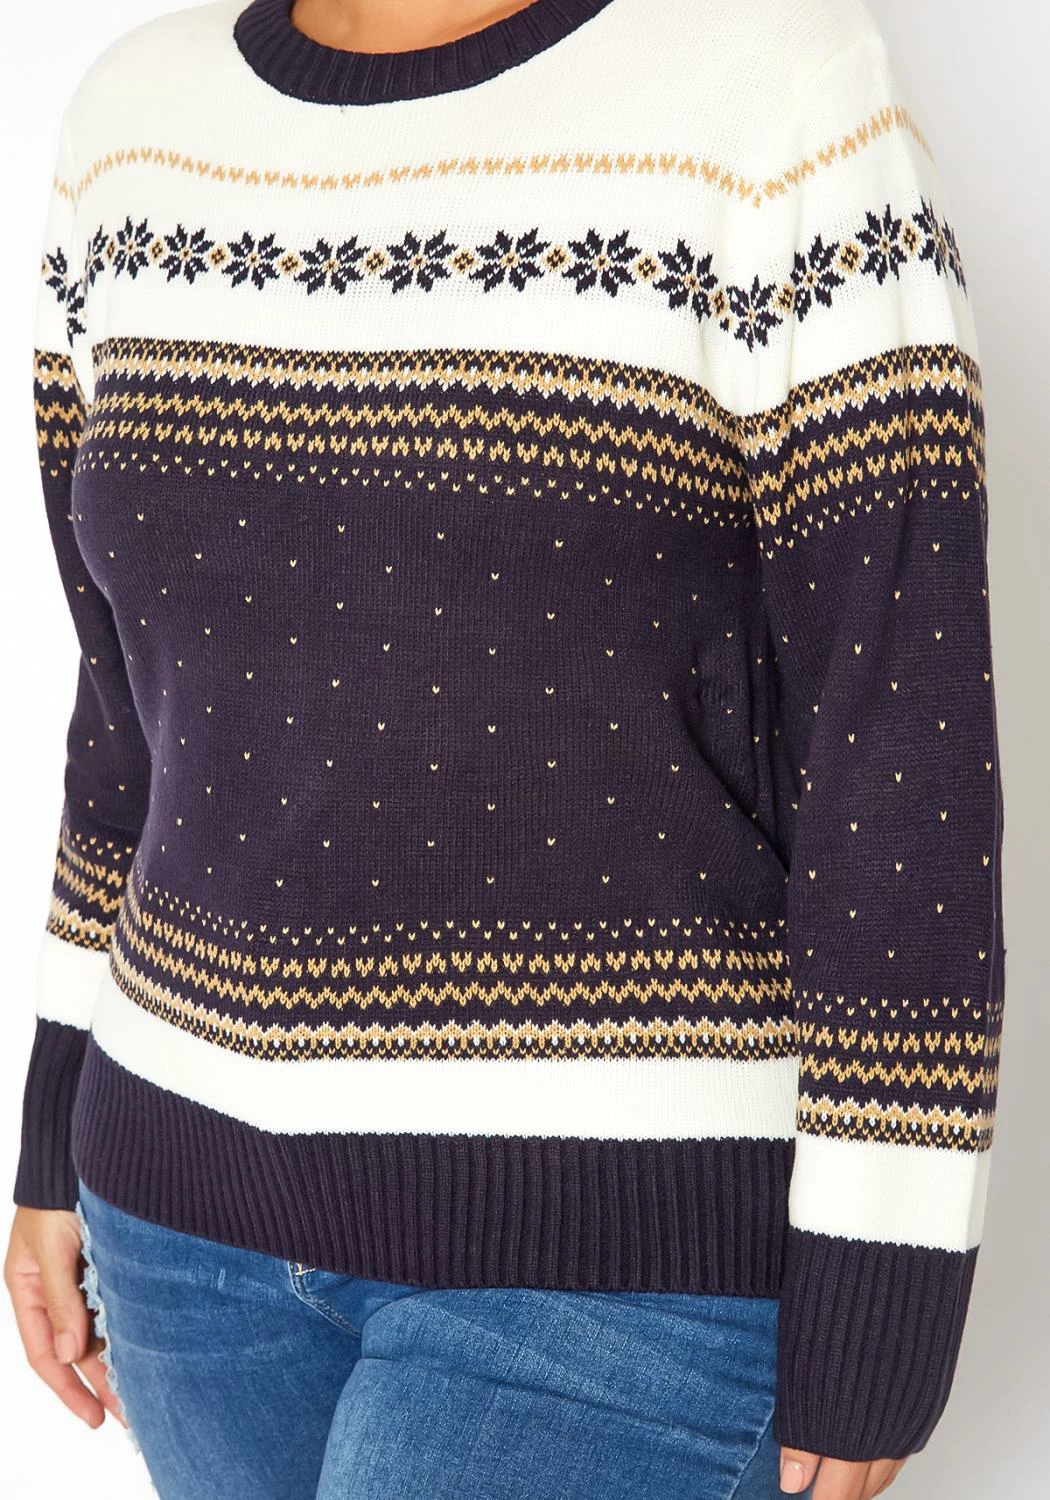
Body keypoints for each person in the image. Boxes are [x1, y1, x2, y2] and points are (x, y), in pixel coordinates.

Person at [4, 1, 1005, 1497]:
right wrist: (52, 1128)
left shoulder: (773, 93)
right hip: (177, 1222)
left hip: (612, 1269)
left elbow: (899, 752)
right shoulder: (129, 120)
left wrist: (888, 1271)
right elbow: (125, 716)